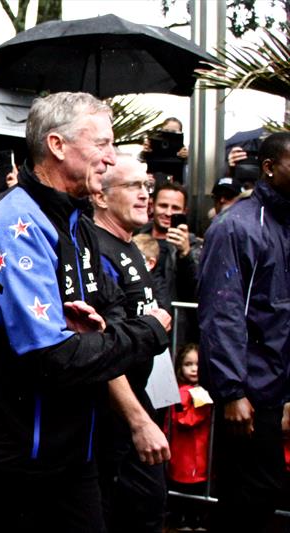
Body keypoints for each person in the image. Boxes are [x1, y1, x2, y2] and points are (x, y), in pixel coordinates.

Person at [0, 92, 171, 531]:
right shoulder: (14, 222)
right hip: (20, 467)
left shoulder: (78, 224)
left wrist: (102, 332)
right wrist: (148, 332)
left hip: (75, 457)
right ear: (57, 145)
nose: (112, 159)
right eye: (102, 144)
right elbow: (51, 357)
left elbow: (113, 307)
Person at [198, 131, 290, 533]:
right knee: (245, 502)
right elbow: (223, 312)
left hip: (278, 390)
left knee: (266, 497)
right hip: (250, 394)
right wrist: (232, 390)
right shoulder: (236, 226)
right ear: (269, 168)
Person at [91, 155, 172, 532]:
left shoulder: (132, 246)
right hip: (114, 422)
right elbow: (99, 343)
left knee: (148, 511)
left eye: (147, 186)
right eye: (133, 187)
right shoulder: (97, 251)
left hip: (144, 404)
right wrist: (138, 421)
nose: (145, 196)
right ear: (103, 197)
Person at [166, 343, 212, 531]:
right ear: (179, 367)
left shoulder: (198, 389)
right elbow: (184, 420)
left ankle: (193, 519)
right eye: (188, 364)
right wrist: (204, 407)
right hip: (186, 452)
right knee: (186, 489)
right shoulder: (183, 391)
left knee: (196, 489)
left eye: (198, 364)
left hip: (198, 451)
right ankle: (185, 520)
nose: (194, 369)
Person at [138, 181, 201, 308]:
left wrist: (185, 253)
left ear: (184, 211)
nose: (168, 213)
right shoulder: (135, 236)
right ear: (152, 205)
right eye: (163, 205)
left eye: (175, 208)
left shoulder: (194, 245)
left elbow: (198, 288)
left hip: (177, 320)